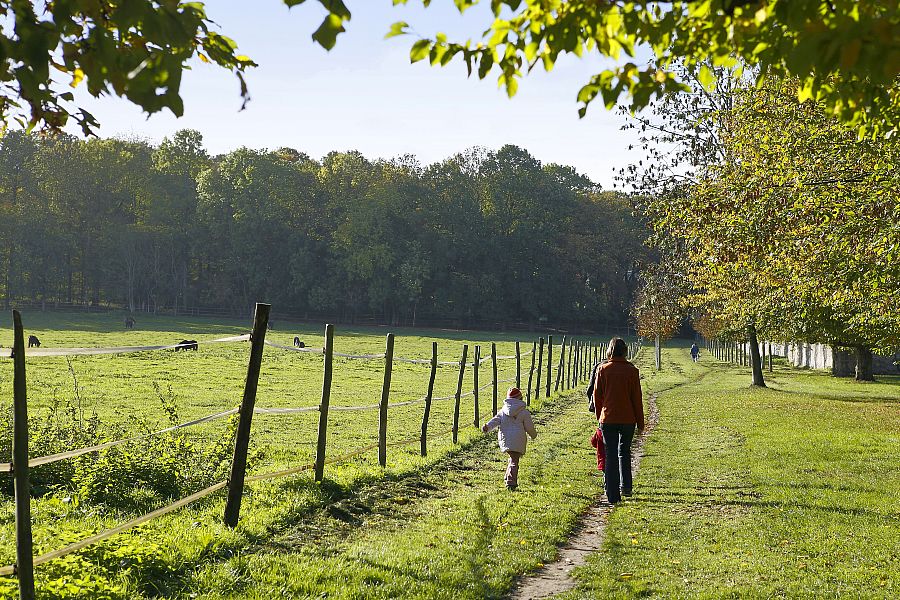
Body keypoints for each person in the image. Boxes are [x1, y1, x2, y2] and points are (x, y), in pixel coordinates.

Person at [593, 337, 644, 505]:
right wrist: (640, 422)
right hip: (628, 419)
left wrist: (600, 416)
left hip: (608, 418)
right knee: (625, 451)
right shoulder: (632, 371)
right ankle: (626, 486)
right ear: (625, 351)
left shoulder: (602, 369)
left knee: (611, 455)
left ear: (610, 350)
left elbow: (597, 396)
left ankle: (612, 494)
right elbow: (637, 398)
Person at [482, 387, 537, 490]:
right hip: (518, 439)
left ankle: (507, 477)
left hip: (506, 438)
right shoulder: (524, 412)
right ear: (520, 399)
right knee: (514, 461)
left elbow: (495, 420)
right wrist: (533, 435)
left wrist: (487, 427)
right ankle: (511, 482)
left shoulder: (503, 411)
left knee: (512, 459)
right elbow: (529, 427)